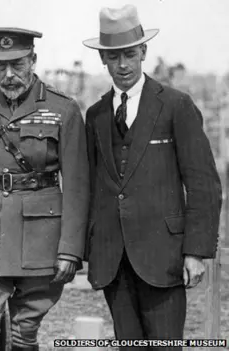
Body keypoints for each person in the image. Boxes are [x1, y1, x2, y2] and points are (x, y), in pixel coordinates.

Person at [82, 5, 222, 347]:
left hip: (165, 258)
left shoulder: (176, 106)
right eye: (113, 57)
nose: (123, 65)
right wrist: (88, 248)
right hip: (113, 260)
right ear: (103, 59)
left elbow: (203, 184)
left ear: (144, 51)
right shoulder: (97, 115)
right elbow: (90, 186)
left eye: (130, 54)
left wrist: (196, 252)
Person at [0, 27, 89, 350]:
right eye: (1, 66)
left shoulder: (63, 110)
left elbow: (78, 186)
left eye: (18, 65)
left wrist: (70, 248)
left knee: (23, 334)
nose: (9, 75)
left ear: (33, 60)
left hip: (39, 238)